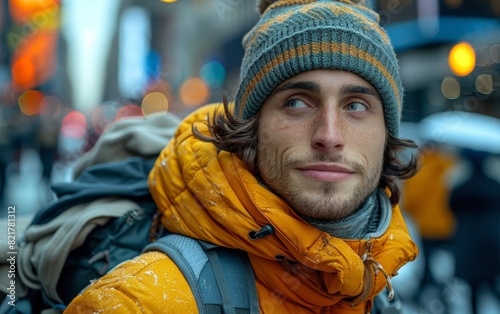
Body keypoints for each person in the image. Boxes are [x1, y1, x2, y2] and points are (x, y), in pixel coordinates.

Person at [65, 0, 420, 312]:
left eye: (356, 106)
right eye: (296, 102)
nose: (329, 136)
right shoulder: (138, 303)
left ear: (387, 134)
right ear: (251, 129)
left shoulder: (376, 286)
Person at [448, 149, 500, 314]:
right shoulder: (495, 186)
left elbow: (451, 208)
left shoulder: (462, 188)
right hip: (491, 240)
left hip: (468, 241)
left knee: (473, 287)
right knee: (492, 281)